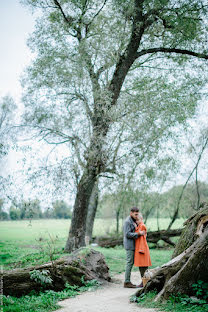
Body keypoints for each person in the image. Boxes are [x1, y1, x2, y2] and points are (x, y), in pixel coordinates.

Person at [123, 207, 145, 288]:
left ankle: (144, 281)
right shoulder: (127, 222)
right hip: (130, 246)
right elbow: (127, 234)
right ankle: (127, 282)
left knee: (139, 263)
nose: (136, 216)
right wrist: (138, 234)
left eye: (137, 214)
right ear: (131, 213)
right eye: (135, 214)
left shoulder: (134, 221)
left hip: (136, 246)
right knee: (129, 263)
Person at [134, 213, 152, 286]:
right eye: (136, 220)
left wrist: (141, 249)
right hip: (139, 248)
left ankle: (145, 282)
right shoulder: (139, 226)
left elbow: (142, 237)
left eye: (138, 220)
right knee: (141, 266)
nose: (137, 221)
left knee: (143, 266)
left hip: (142, 249)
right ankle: (144, 281)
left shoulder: (142, 226)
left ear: (141, 219)